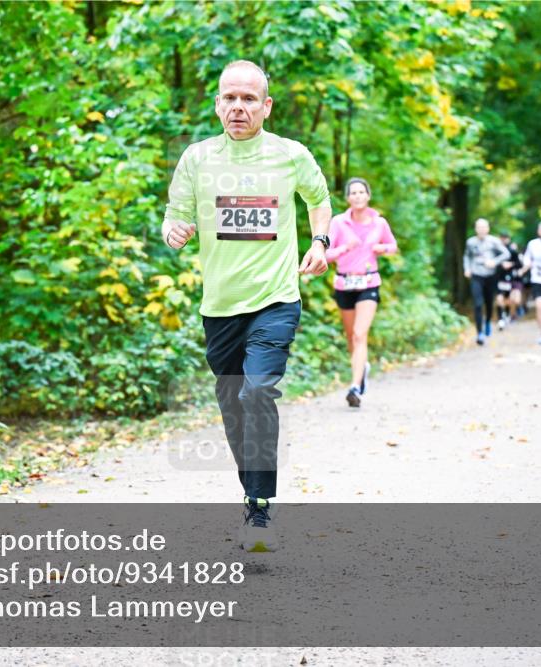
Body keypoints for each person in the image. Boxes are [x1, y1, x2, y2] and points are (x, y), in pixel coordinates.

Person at [161, 60, 332, 552]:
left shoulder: (291, 155)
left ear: (266, 105)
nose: (238, 107)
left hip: (276, 298)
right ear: (217, 103)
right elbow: (174, 215)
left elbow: (319, 199)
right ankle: (251, 492)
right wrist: (173, 231)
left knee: (257, 393)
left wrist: (319, 241)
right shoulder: (196, 158)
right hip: (219, 306)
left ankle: (260, 513)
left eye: (249, 99)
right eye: (230, 98)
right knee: (233, 403)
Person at [326, 177, 398, 408]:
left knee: (359, 334)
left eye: (361, 192)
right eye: (353, 193)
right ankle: (362, 367)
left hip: (369, 283)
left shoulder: (379, 223)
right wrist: (344, 249)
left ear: (368, 195)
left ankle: (355, 387)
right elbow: (324, 254)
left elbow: (392, 246)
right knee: (351, 338)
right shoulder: (338, 223)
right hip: (344, 284)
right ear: (348, 198)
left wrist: (382, 248)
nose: (357, 196)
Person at [463, 218, 510, 345]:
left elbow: (506, 254)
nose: (481, 230)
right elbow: (467, 256)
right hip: (476, 276)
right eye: (479, 227)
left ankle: (488, 321)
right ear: (476, 229)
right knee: (478, 304)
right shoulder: (471, 242)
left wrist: (494, 262)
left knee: (489, 303)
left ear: (488, 229)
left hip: (490, 276)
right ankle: (479, 333)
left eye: (484, 227)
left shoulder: (494, 241)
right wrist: (467, 268)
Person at [494, 231, 523, 329]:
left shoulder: (513, 251)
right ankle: (500, 319)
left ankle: (506, 315)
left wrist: (511, 264)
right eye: (502, 238)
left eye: (505, 238)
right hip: (499, 278)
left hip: (510, 279)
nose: (503, 240)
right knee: (499, 298)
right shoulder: (496, 251)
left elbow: (519, 264)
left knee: (509, 300)